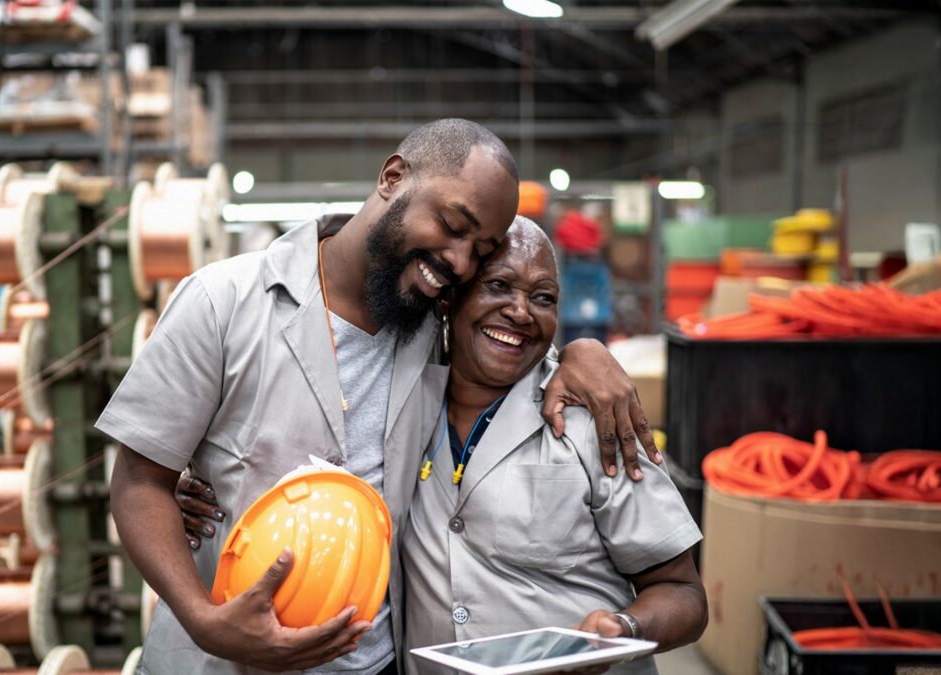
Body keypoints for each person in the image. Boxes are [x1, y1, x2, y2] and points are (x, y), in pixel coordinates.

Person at [102, 119, 660, 675]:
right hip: (220, 661)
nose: (460, 261)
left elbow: (508, 330)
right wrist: (205, 621)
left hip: (376, 664)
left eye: (480, 250)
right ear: (393, 177)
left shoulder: (434, 326)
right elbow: (139, 480)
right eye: (452, 225)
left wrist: (583, 351)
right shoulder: (223, 302)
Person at [402, 217, 706, 675]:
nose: (521, 312)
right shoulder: (405, 406)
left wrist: (624, 629)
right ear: (450, 297)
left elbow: (684, 594)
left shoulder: (595, 417)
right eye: (498, 285)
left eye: (543, 297)